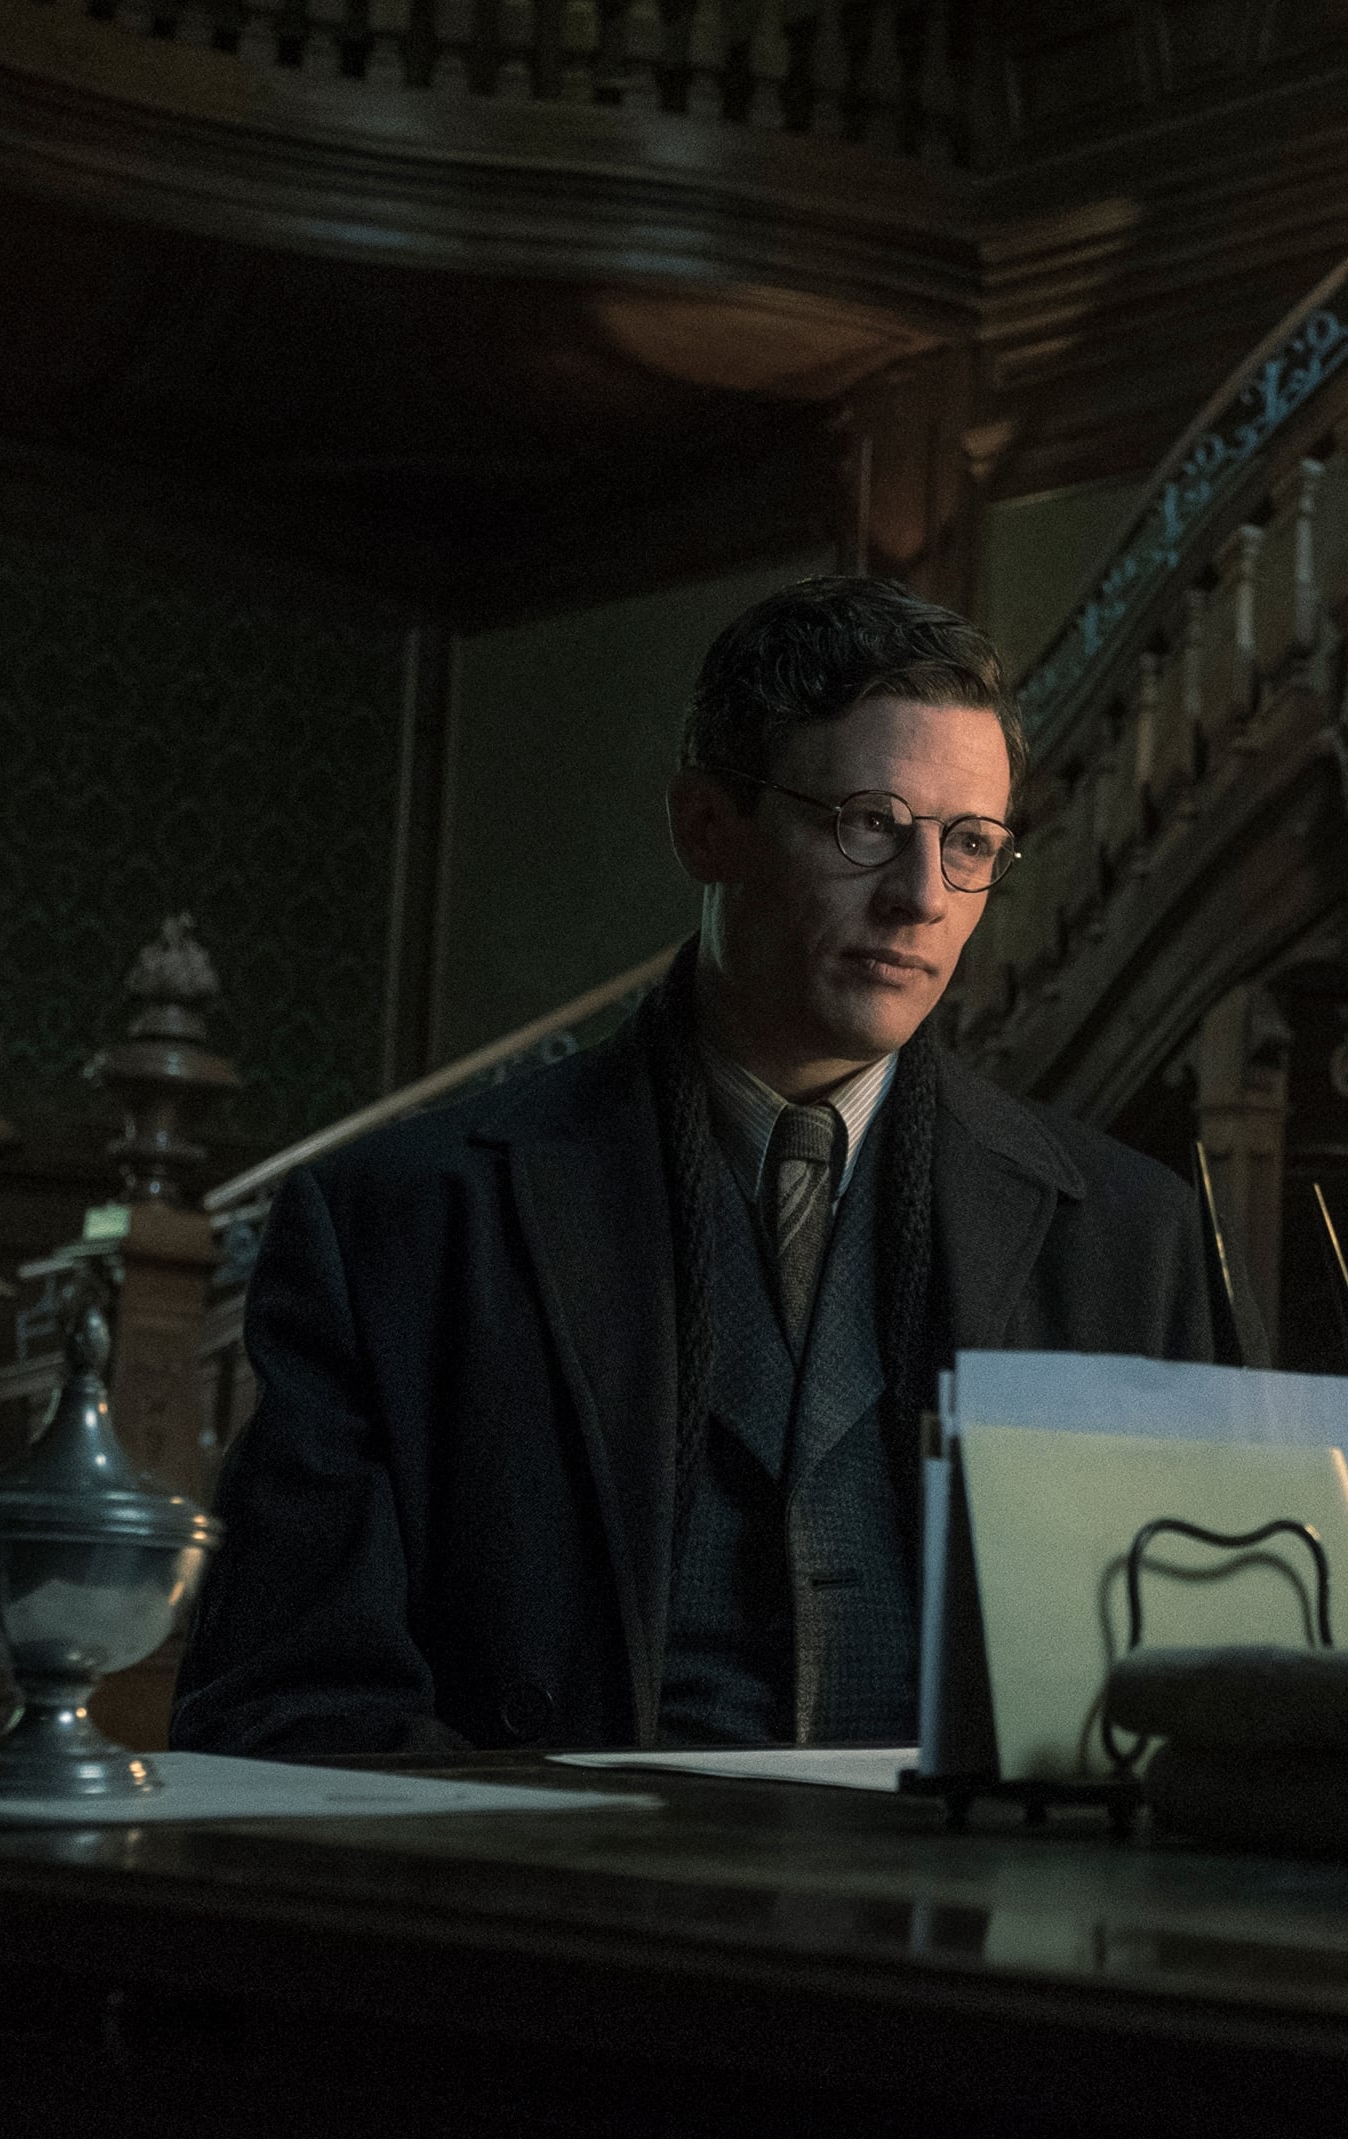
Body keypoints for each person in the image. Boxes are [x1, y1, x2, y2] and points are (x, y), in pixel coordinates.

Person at [175, 577, 1210, 1758]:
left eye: (968, 843)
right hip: (567, 1868)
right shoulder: (402, 1221)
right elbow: (286, 1704)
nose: (921, 897)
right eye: (868, 823)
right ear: (705, 826)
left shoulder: (1133, 1235)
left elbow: (1196, 1707)